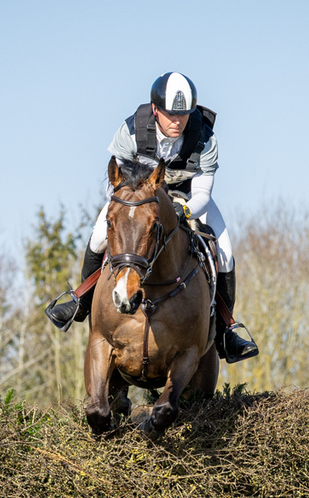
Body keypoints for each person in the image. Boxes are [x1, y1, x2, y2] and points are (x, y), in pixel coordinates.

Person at [45, 72, 258, 363]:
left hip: (187, 198)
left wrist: (182, 211)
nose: (177, 121)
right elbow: (115, 183)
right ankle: (80, 302)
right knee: (98, 238)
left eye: (183, 114)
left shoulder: (205, 137)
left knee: (225, 252)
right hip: (137, 198)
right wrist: (130, 205)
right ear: (156, 110)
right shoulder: (131, 131)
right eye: (171, 114)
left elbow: (203, 193)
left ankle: (225, 331)